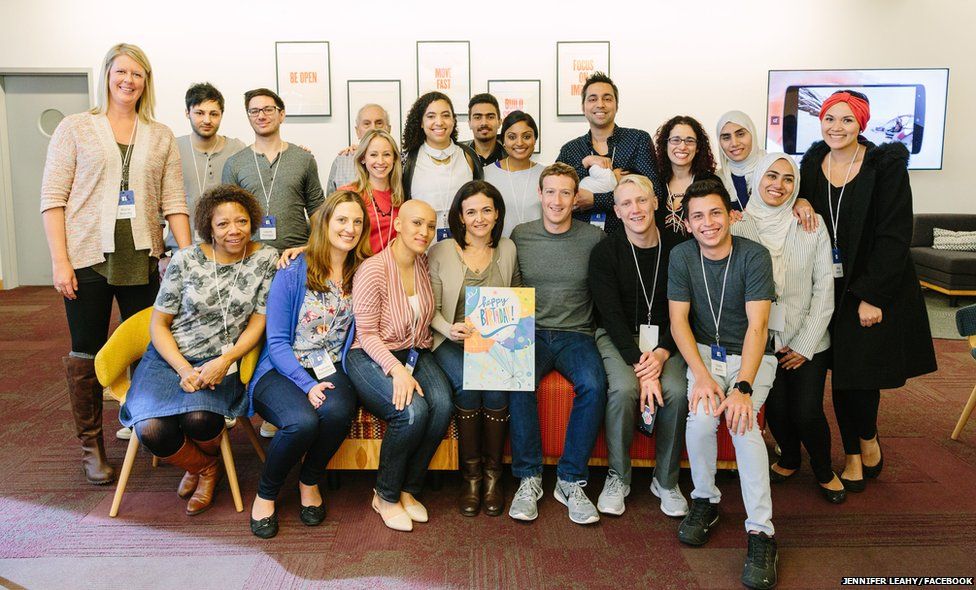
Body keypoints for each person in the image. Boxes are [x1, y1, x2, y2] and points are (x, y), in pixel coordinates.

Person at [40, 43, 191, 485]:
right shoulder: (74, 129)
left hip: (142, 258)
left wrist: (186, 258)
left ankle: (151, 429)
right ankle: (92, 446)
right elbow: (53, 200)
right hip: (87, 258)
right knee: (86, 352)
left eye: (138, 74)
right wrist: (60, 260)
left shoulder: (160, 135)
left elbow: (174, 201)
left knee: (150, 349)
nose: (129, 81)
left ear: (147, 81)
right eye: (121, 72)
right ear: (107, 75)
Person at [797, 90, 937, 493]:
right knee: (840, 372)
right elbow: (799, 206)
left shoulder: (885, 165)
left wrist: (871, 295)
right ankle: (854, 453)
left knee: (859, 375)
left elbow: (895, 235)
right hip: (830, 285)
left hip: (875, 282)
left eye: (846, 120)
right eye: (829, 119)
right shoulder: (810, 163)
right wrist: (801, 201)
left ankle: (865, 440)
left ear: (861, 124)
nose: (836, 128)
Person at [118, 184, 277, 515]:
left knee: (200, 419)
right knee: (151, 429)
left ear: (253, 221)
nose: (234, 230)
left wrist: (226, 360)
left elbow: (259, 322)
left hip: (223, 359)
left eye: (242, 221)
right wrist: (183, 369)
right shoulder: (186, 259)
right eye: (223, 224)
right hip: (170, 358)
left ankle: (201, 465)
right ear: (209, 227)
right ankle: (205, 468)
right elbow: (158, 325)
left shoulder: (265, 258)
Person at [668, 179, 778, 589]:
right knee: (699, 420)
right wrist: (700, 375)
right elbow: (679, 322)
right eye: (697, 216)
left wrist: (743, 387)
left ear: (731, 214)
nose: (708, 223)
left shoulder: (754, 255)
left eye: (715, 212)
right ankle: (705, 499)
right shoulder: (681, 256)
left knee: (742, 425)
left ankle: (761, 531)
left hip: (752, 358)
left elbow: (758, 326)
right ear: (687, 221)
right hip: (703, 356)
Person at [247, 191, 370, 538]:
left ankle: (309, 480)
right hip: (282, 368)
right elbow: (276, 343)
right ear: (325, 222)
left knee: (336, 413)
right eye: (342, 220)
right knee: (301, 422)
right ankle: (266, 492)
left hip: (330, 366)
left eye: (357, 222)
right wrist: (307, 385)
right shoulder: (292, 270)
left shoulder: (362, 270)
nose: (350, 228)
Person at [732, 154, 844, 504]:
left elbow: (825, 286)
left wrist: (805, 344)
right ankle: (791, 458)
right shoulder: (736, 225)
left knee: (807, 411)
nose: (778, 185)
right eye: (771, 176)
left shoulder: (811, 224)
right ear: (756, 180)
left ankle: (824, 469)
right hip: (761, 342)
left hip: (808, 337)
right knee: (776, 410)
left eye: (787, 179)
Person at [345, 199, 454, 532]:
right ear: (398, 225)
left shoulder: (421, 263)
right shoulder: (373, 269)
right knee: (411, 412)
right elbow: (366, 333)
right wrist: (396, 371)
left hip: (414, 352)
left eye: (430, 226)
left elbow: (421, 320)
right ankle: (386, 494)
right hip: (370, 354)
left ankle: (409, 489)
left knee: (443, 404)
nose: (424, 232)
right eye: (417, 223)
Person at [508, 163, 607, 525]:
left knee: (595, 384)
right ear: (540, 194)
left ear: (575, 197)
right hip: (530, 331)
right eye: (550, 191)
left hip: (576, 334)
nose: (557, 200)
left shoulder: (593, 238)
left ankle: (569, 479)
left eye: (566, 192)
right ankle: (529, 477)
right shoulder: (520, 235)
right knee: (519, 382)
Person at [587, 175, 689, 517]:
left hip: (669, 337)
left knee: (676, 389)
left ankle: (666, 480)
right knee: (623, 390)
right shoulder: (606, 250)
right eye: (626, 203)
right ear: (616, 211)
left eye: (642, 201)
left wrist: (660, 353)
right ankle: (619, 477)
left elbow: (688, 310)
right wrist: (640, 366)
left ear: (656, 203)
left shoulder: (678, 246)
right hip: (618, 337)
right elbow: (609, 315)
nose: (635, 209)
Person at [428, 181, 521, 517]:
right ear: (460, 217)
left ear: (497, 214)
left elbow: (517, 297)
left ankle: (493, 477)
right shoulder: (441, 251)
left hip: (493, 341)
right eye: (471, 212)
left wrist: (511, 335)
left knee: (496, 390)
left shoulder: (508, 249)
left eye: (486, 210)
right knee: (469, 385)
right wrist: (448, 329)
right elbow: (432, 309)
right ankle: (470, 478)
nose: (479, 218)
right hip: (449, 339)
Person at [556, 72, 662, 234]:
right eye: (592, 99)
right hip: (579, 238)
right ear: (583, 107)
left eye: (607, 98)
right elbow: (558, 192)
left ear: (616, 105)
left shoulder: (637, 140)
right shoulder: (570, 150)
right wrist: (585, 163)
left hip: (629, 236)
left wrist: (595, 199)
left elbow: (654, 191)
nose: (600, 104)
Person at [222, 88, 325, 253]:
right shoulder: (234, 163)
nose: (261, 116)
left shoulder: (304, 159)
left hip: (297, 255)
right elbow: (228, 215)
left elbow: (316, 208)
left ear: (282, 115)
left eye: (268, 110)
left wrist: (317, 250)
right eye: (254, 111)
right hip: (251, 257)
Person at [168, 82, 246, 255]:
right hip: (182, 250)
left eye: (214, 114)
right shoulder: (172, 148)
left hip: (227, 248)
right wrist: (160, 255)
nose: (207, 120)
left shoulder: (237, 149)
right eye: (199, 113)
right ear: (187, 113)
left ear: (221, 115)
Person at [402, 91, 484, 242]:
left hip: (465, 244)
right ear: (421, 122)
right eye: (431, 116)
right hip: (421, 246)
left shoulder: (468, 156)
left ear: (453, 120)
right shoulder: (407, 160)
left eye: (446, 115)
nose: (439, 122)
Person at [653, 115, 719, 240]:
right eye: (675, 140)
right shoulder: (655, 181)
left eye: (690, 141)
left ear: (698, 147)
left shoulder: (710, 182)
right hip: (658, 256)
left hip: (697, 255)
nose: (683, 147)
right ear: (665, 144)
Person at [341, 129, 404, 253]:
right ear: (363, 158)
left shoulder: (402, 196)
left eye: (386, 154)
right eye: (373, 155)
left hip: (394, 268)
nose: (380, 161)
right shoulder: (348, 194)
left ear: (394, 159)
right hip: (359, 268)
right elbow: (328, 235)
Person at [483, 111, 543, 237]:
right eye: (512, 137)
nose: (520, 143)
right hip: (497, 249)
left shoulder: (546, 175)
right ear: (503, 140)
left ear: (535, 140)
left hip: (537, 248)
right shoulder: (486, 174)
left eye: (526, 137)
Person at [327, 104, 391, 193]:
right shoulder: (342, 161)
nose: (373, 128)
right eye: (367, 124)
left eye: (379, 123)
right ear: (357, 131)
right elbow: (331, 202)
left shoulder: (400, 161)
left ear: (389, 129)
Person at [462, 93, 506, 166]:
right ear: (469, 123)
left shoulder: (512, 154)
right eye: (477, 117)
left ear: (499, 122)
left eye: (490, 117)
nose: (484, 123)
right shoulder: (458, 155)